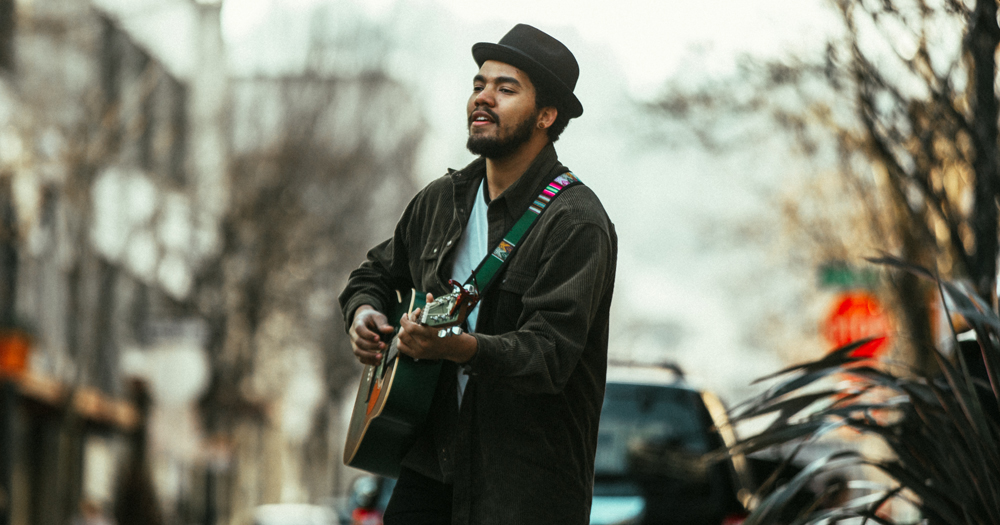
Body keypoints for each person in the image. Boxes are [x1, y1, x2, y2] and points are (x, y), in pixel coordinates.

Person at [340, 23, 617, 525]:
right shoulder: (440, 200)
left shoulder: (576, 221)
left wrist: (457, 347)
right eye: (478, 85)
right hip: (428, 468)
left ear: (546, 115)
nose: (483, 98)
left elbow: (548, 355)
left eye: (506, 89)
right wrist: (364, 314)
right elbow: (375, 273)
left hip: (522, 491)